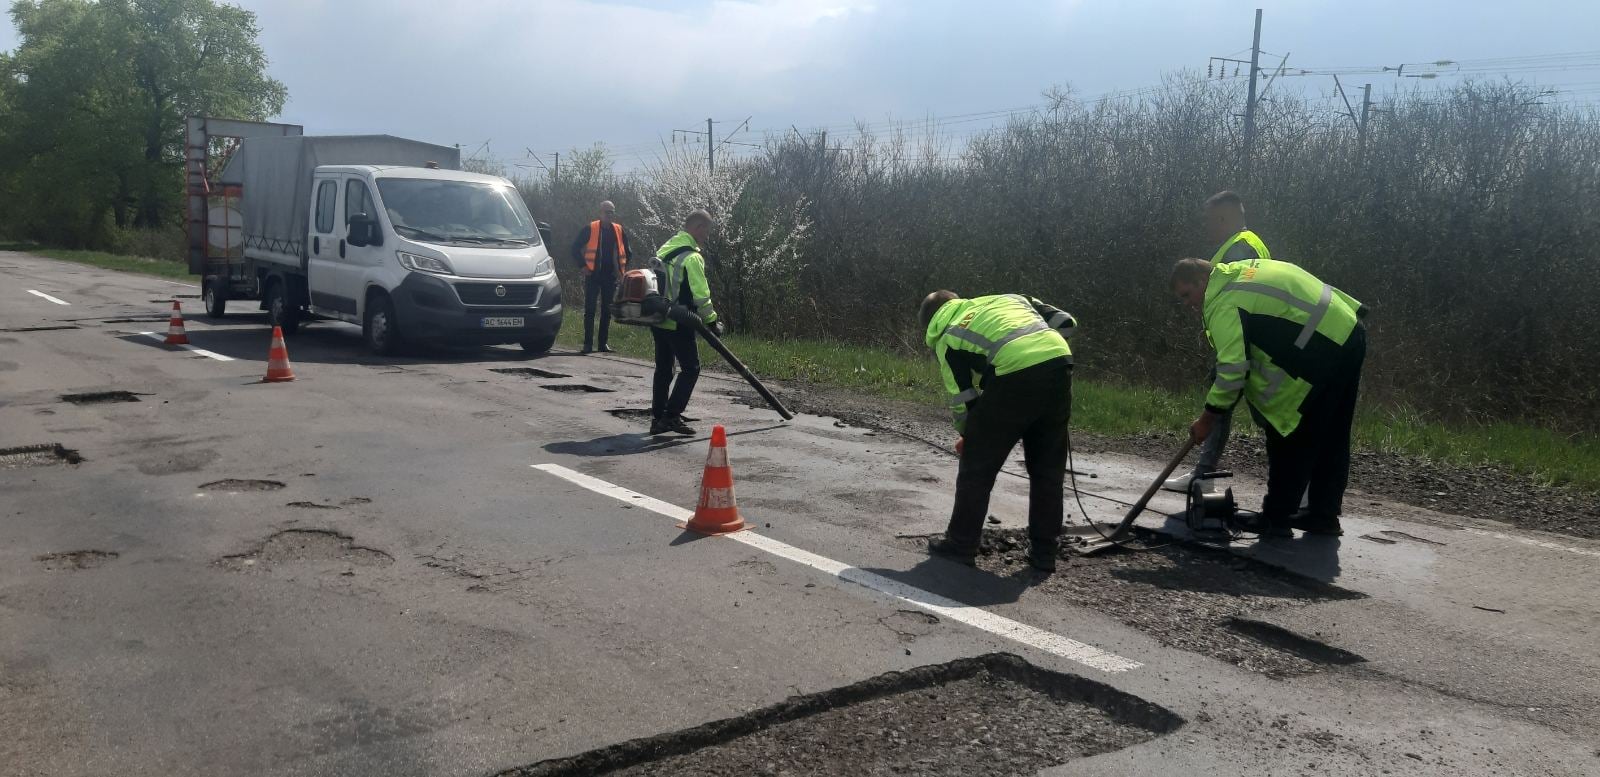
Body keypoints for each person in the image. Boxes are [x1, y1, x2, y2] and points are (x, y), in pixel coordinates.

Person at [1171, 256, 1367, 538]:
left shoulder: (1222, 302)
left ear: (1201, 280)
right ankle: (1322, 516)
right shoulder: (1238, 273)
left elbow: (1233, 370)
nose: (1188, 305)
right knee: (1332, 433)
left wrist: (1207, 419)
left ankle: (1277, 518)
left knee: (1289, 429)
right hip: (1348, 329)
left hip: (1325, 345)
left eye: (1187, 295)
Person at [920, 291, 1078, 572]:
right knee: (1047, 469)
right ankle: (1044, 554)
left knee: (977, 468)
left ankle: (961, 544)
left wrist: (970, 437)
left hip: (1013, 371)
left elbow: (962, 397)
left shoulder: (947, 335)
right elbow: (1066, 322)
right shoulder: (1011, 299)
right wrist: (1041, 351)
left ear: (930, 322)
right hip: (1058, 362)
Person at [1165, 190, 1273, 495]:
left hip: (1241, 344)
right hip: (1245, 342)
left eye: (1209, 220)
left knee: (1260, 413)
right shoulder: (1247, 244)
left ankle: (1206, 475)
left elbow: (1236, 301)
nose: (1206, 227)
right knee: (1256, 411)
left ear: (1223, 218)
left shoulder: (1239, 249)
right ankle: (1204, 473)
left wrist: (1232, 351)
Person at [649, 209, 721, 436]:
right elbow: (701, 296)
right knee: (691, 369)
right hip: (679, 322)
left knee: (664, 369)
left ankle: (658, 418)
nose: (706, 237)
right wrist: (712, 322)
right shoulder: (692, 257)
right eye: (706, 231)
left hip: (658, 318)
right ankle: (671, 416)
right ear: (698, 228)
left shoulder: (667, 247)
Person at [568, 200, 634, 354]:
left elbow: (628, 252)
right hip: (593, 275)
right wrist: (583, 266)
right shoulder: (590, 228)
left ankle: (603, 344)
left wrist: (621, 270)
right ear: (600, 213)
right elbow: (574, 248)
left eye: (612, 212)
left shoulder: (618, 230)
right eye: (606, 212)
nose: (609, 215)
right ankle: (587, 344)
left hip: (610, 276)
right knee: (590, 310)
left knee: (607, 310)